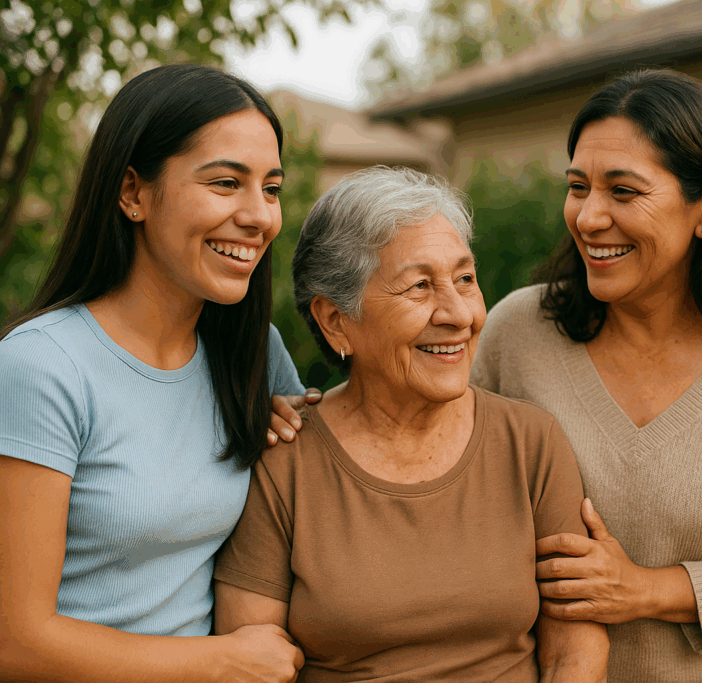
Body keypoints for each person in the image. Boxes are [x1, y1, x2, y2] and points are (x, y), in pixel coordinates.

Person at [469, 68, 702, 682]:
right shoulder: (518, 333)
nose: (589, 217)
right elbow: (433, 463)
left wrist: (643, 591)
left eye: (624, 191)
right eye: (578, 186)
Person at [213, 166, 609, 682]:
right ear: (335, 320)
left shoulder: (531, 443)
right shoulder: (282, 461)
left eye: (465, 279)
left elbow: (574, 653)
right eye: (419, 286)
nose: (458, 314)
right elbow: (248, 667)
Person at [0, 64, 307, 682]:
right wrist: (222, 661)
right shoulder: (41, 366)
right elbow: (16, 643)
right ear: (132, 193)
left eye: (270, 189)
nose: (259, 217)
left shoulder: (252, 354)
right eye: (226, 183)